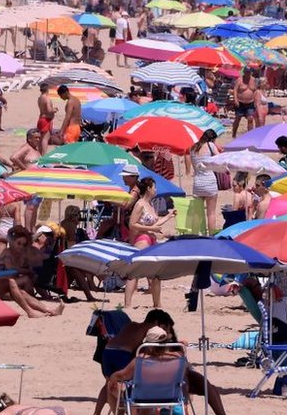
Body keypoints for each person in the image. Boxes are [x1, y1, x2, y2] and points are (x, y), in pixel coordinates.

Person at [101, 309, 227, 415]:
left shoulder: (141, 358)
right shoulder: (178, 356)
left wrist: (113, 377)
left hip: (144, 391)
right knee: (205, 384)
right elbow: (184, 377)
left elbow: (122, 375)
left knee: (114, 386)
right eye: (166, 327)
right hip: (171, 392)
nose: (168, 331)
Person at [0, 226, 64, 318]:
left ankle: (50, 310)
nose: (21, 247)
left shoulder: (18, 253)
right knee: (26, 280)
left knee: (23, 290)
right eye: (19, 243)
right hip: (0, 281)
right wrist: (24, 270)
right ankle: (35, 304)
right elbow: (11, 271)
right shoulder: (7, 254)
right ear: (12, 243)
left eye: (23, 244)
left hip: (10, 283)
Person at [125, 178, 173, 309]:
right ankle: (127, 304)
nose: (156, 190)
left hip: (152, 239)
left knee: (156, 274)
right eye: (154, 187)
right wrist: (151, 229)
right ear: (148, 189)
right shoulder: (140, 204)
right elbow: (132, 224)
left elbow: (154, 224)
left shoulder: (150, 204)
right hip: (142, 239)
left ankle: (157, 304)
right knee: (134, 272)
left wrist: (168, 217)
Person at [185, 129, 220, 233]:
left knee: (197, 212)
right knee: (211, 213)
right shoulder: (210, 145)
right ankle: (211, 235)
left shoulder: (193, 147)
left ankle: (195, 234)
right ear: (212, 139)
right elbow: (219, 159)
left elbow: (194, 167)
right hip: (209, 181)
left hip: (198, 182)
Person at [232, 68, 256, 137]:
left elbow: (256, 91)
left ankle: (250, 135)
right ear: (244, 72)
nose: (248, 74)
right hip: (240, 102)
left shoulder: (254, 80)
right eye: (246, 72)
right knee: (238, 118)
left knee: (250, 118)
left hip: (250, 102)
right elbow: (235, 90)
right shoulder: (240, 80)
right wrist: (235, 100)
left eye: (249, 72)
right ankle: (234, 133)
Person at [37, 83, 56, 153]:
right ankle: (44, 155)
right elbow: (49, 110)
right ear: (47, 90)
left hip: (41, 118)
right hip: (46, 120)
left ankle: (39, 153)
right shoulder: (47, 98)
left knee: (41, 138)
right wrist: (54, 110)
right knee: (45, 138)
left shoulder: (40, 98)